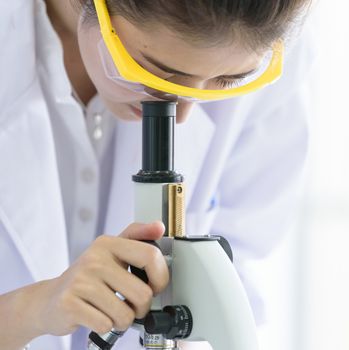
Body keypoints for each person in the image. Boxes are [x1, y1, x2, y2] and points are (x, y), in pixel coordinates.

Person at [0, 0, 313, 349]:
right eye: (156, 73)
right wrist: (27, 311)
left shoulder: (263, 41)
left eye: (227, 80)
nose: (182, 116)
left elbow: (237, 274)